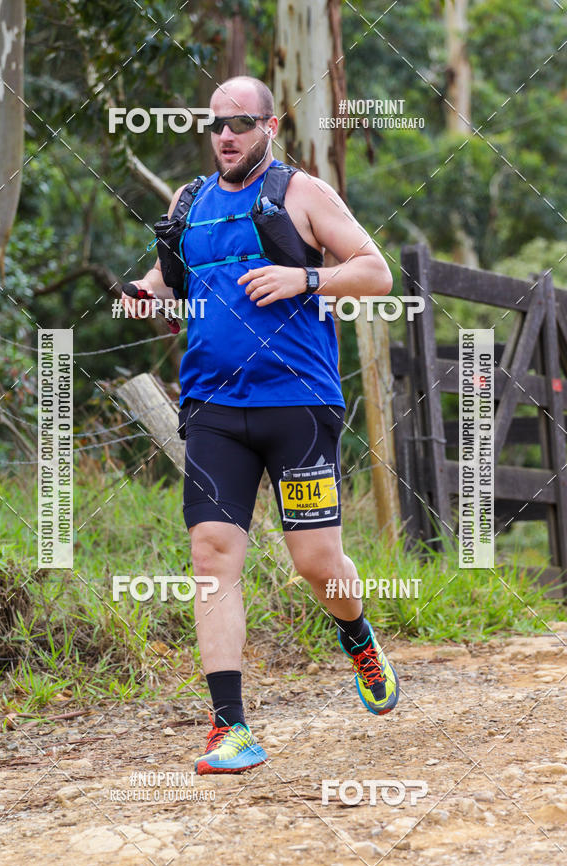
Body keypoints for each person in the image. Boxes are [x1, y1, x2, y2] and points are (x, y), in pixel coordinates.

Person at [121, 75, 399, 776]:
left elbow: (376, 272)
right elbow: (166, 278)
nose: (226, 135)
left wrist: (305, 280)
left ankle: (357, 636)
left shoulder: (302, 193)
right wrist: (143, 295)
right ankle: (230, 728)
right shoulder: (189, 202)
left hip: (298, 404)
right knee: (213, 556)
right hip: (213, 406)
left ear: (269, 127)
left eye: (241, 122)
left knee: (315, 562)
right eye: (216, 123)